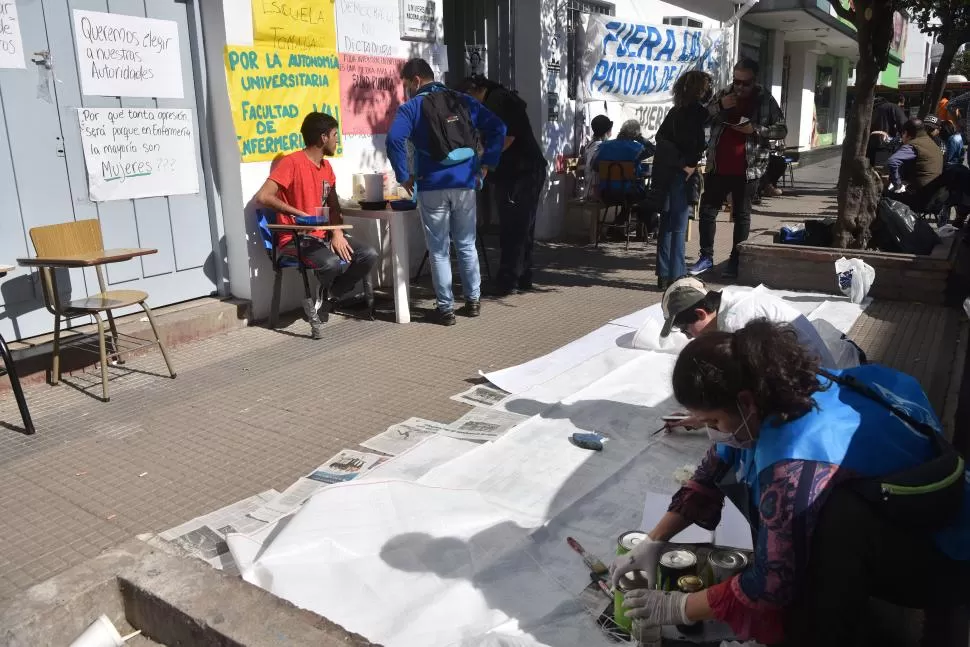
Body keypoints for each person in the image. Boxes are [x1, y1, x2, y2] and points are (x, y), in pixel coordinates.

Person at [613, 320, 970, 647]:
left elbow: (771, 584)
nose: (709, 431)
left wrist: (682, 607)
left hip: (945, 555)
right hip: (923, 504)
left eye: (712, 420)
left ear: (745, 402)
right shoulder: (787, 388)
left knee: (828, 533)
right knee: (800, 513)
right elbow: (711, 470)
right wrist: (653, 540)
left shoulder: (793, 461)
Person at [386, 58, 506, 326]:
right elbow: (498, 127)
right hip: (465, 183)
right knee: (466, 243)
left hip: (431, 186)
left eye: (406, 84)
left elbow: (394, 139)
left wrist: (404, 176)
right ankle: (473, 301)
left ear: (416, 80)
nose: (406, 90)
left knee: (439, 249)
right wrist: (488, 164)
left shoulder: (412, 107)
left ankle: (446, 309)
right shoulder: (461, 100)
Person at [255, 112, 379, 339]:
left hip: (323, 235)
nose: (336, 141)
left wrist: (338, 233)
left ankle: (330, 292)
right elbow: (263, 197)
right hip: (294, 238)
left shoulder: (327, 168)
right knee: (331, 263)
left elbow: (333, 207)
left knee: (367, 254)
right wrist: (298, 214)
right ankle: (329, 291)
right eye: (334, 135)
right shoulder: (291, 163)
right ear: (323, 138)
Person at [689, 59, 787, 279]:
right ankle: (706, 256)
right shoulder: (724, 94)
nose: (740, 88)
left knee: (742, 215)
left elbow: (781, 129)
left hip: (748, 169)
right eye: (737, 82)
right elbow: (701, 117)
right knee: (707, 211)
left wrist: (756, 130)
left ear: (755, 80)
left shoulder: (765, 100)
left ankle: (736, 259)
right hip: (718, 165)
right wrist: (720, 105)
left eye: (746, 83)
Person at [658, 275, 864, 376]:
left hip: (814, 391)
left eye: (686, 330)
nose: (688, 337)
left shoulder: (738, 321)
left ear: (700, 313)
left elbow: (750, 387)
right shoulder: (733, 303)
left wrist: (708, 416)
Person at [458, 75, 548, 296]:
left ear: (475, 90)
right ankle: (522, 275)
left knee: (513, 227)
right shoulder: (501, 99)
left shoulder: (497, 101)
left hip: (520, 172)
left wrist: (482, 161)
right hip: (526, 170)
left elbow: (506, 138)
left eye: (468, 99)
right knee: (522, 226)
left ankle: (509, 280)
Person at [652, 70, 712, 290]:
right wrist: (689, 164)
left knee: (666, 223)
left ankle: (664, 272)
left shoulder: (675, 112)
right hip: (681, 171)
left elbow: (661, 138)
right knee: (678, 223)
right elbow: (699, 143)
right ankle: (676, 273)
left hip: (665, 170)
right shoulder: (700, 114)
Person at [886, 118, 943, 196]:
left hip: (920, 194)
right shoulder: (932, 143)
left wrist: (897, 185)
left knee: (884, 196)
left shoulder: (913, 145)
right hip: (935, 191)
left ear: (905, 133)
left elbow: (892, 161)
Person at [579, 114, 613, 200]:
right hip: (595, 189)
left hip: (591, 185)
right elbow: (592, 166)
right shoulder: (599, 146)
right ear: (607, 131)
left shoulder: (591, 143)